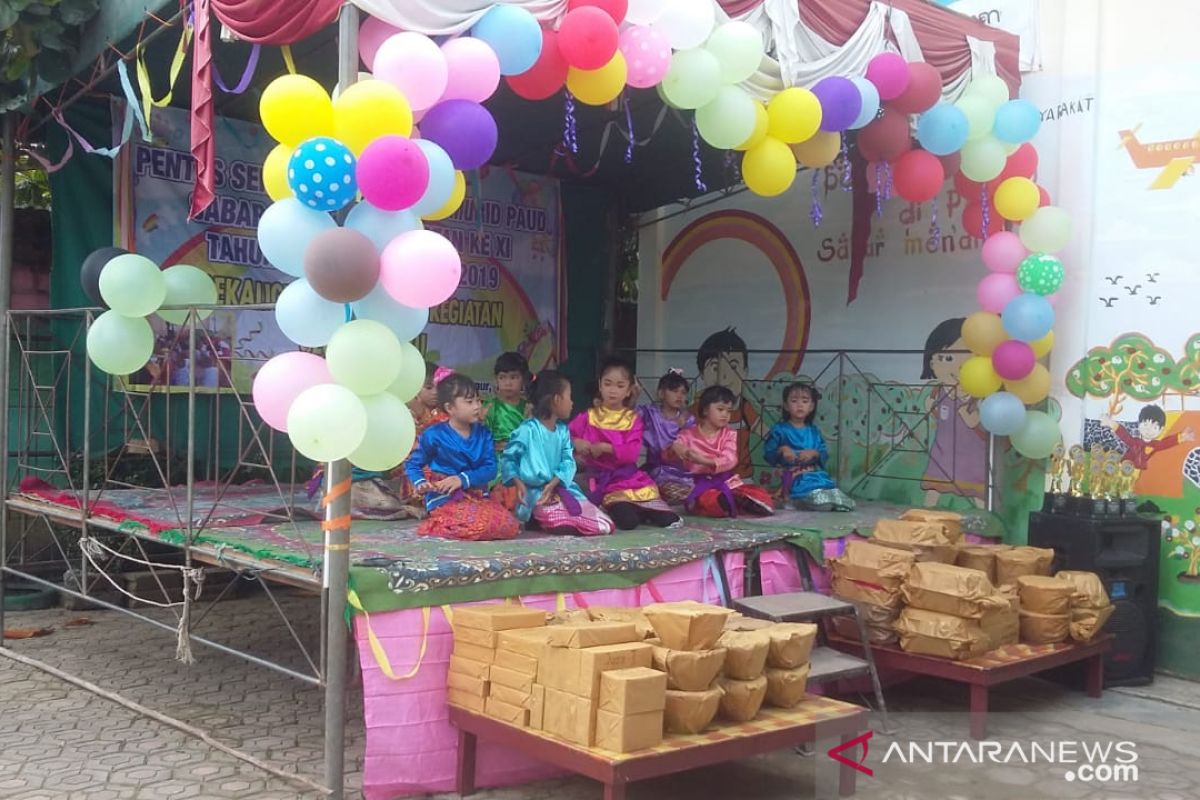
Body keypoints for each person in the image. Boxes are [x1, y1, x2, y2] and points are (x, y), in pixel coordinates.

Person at [404, 373, 520, 541]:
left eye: (478, 401)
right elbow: (413, 464)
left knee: (509, 525)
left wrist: (462, 479)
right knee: (480, 526)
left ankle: (455, 524)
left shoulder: (484, 434)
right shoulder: (434, 434)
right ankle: (438, 524)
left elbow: (490, 469)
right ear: (450, 408)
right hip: (445, 498)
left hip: (477, 496)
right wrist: (420, 483)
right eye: (469, 402)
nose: (477, 406)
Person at [569, 358, 682, 530]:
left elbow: (632, 452)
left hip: (630, 478)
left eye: (620, 386)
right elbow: (563, 436)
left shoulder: (632, 419)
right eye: (608, 384)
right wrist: (576, 442)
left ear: (629, 390)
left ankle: (643, 510)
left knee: (669, 519)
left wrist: (606, 448)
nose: (613, 390)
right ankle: (629, 511)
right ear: (600, 385)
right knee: (628, 522)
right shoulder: (588, 416)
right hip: (605, 482)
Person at [501, 370, 614, 535]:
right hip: (535, 494)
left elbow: (568, 461)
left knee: (604, 524)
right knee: (564, 525)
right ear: (556, 400)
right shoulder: (527, 430)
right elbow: (508, 459)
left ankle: (545, 519)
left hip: (559, 488)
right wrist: (518, 482)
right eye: (569, 397)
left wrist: (555, 481)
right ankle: (537, 517)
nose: (572, 403)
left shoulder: (562, 431)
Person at [670, 385, 774, 517]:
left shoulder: (730, 434)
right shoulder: (687, 434)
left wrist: (703, 460)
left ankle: (736, 502)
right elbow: (673, 450)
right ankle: (726, 503)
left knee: (761, 496)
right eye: (720, 409)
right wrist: (678, 447)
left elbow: (730, 459)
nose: (725, 415)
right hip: (698, 483)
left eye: (729, 411)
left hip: (726, 480)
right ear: (706, 410)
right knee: (710, 500)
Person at [919, 318, 987, 508]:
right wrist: (932, 407)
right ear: (932, 361)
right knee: (935, 484)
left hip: (971, 452)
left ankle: (983, 513)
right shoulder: (939, 391)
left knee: (976, 490)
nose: (957, 368)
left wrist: (974, 422)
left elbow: (986, 427)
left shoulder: (977, 396)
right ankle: (926, 512)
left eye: (970, 360)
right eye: (947, 358)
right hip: (944, 449)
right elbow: (939, 414)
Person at [764, 383, 855, 511]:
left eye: (805, 401)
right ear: (786, 405)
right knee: (820, 502)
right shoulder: (779, 430)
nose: (800, 405)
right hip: (791, 477)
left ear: (811, 406)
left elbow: (823, 452)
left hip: (813, 475)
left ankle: (819, 500)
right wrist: (782, 449)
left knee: (833, 495)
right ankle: (800, 500)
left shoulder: (814, 431)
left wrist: (814, 453)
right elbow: (768, 454)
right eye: (794, 401)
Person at [694, 327, 763, 477]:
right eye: (715, 368)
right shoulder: (696, 409)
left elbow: (768, 434)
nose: (724, 377)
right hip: (705, 475)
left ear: (745, 371)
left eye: (733, 367)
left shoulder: (745, 408)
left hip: (741, 477)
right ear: (701, 374)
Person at [639, 369, 696, 505]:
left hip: (679, 472)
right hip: (654, 468)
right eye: (674, 391)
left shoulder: (688, 420)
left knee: (683, 491)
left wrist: (683, 429)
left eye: (683, 392)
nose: (679, 396)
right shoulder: (649, 413)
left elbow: (691, 447)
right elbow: (629, 418)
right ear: (661, 393)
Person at [1103, 405, 1196, 469]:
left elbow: (1166, 443)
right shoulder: (1135, 442)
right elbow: (1124, 435)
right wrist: (1111, 423)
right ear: (1139, 424)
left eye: (1154, 427)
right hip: (1124, 467)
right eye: (1145, 425)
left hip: (1141, 473)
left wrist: (1182, 437)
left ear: (1161, 429)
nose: (1149, 429)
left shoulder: (1155, 445)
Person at [484, 351, 531, 453]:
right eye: (502, 377)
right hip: (497, 462)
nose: (507, 383)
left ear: (523, 379)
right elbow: (481, 440)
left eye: (513, 377)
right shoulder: (490, 407)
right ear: (496, 379)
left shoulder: (529, 408)